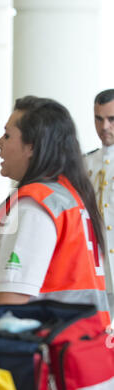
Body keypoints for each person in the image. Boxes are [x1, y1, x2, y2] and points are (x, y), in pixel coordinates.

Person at [0, 96, 110, 329]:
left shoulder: (34, 207)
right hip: (73, 348)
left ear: (31, 147)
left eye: (7, 135)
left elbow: (9, 305)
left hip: (37, 353)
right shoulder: (67, 196)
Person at [85, 89, 114, 319]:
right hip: (96, 270)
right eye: (99, 118)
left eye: (111, 119)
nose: (104, 126)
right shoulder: (85, 163)